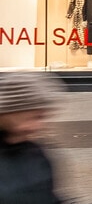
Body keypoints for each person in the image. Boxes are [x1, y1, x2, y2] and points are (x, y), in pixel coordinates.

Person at [0, 69, 65, 204]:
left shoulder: (37, 154)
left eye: (42, 117)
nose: (38, 126)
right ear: (9, 112)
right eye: (34, 117)